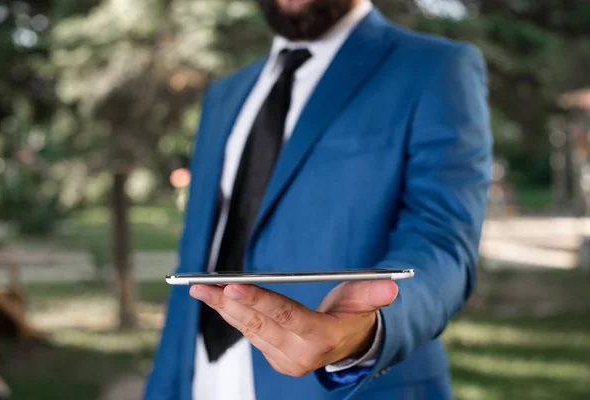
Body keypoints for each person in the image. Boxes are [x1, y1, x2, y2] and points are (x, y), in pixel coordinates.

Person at [145, 0, 492, 399]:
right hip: (201, 379)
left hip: (348, 388)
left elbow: (443, 242)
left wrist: (371, 327)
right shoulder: (225, 94)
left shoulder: (436, 68)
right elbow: (196, 250)